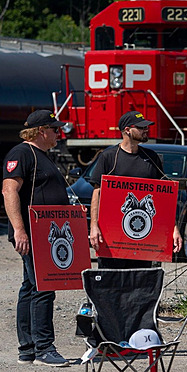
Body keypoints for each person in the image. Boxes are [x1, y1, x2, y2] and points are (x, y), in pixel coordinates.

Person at [2, 110, 70, 366]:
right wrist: (19, 230)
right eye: (54, 129)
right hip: (33, 232)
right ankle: (44, 348)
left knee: (30, 288)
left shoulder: (43, 156)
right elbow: (9, 191)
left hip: (47, 232)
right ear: (41, 131)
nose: (58, 133)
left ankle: (28, 349)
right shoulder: (21, 153)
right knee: (43, 288)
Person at [89, 111, 182, 268]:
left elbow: (164, 197)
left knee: (140, 285)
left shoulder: (152, 157)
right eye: (141, 127)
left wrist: (174, 228)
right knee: (112, 284)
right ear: (127, 130)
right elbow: (97, 193)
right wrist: (93, 226)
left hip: (144, 240)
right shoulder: (109, 156)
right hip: (113, 238)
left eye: (146, 127)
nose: (146, 130)